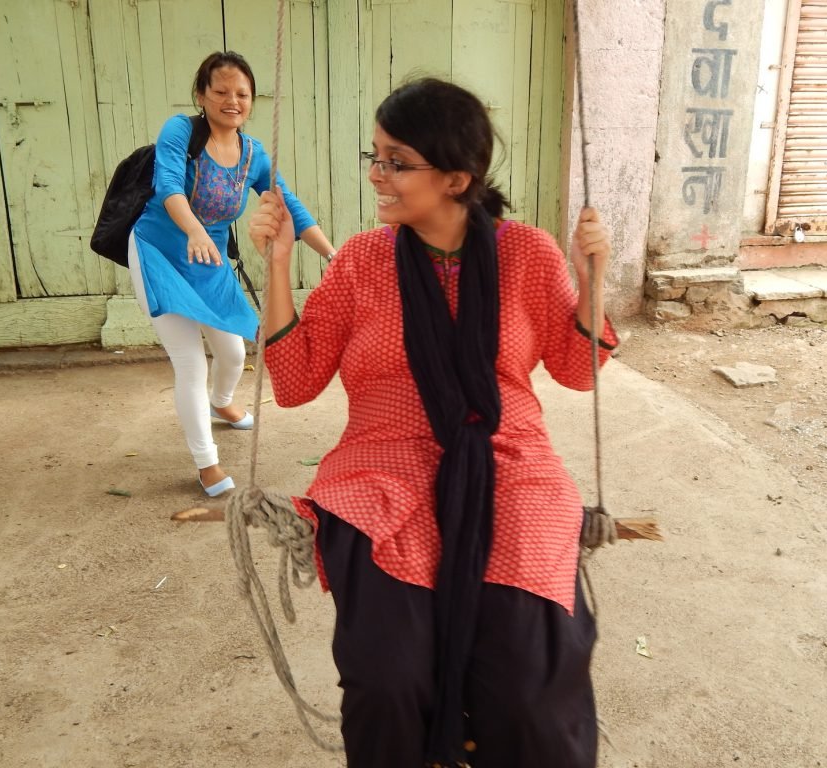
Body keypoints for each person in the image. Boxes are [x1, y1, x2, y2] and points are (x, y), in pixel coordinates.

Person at [249, 77, 618, 768]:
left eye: (396, 161)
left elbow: (578, 370)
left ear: (457, 177)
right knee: (389, 682)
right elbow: (295, 384)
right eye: (376, 154)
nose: (375, 174)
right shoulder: (361, 262)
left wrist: (592, 278)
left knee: (529, 691)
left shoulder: (528, 254)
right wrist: (276, 269)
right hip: (379, 476)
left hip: (512, 468)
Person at [128, 51, 336, 497]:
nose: (232, 100)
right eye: (221, 91)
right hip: (160, 255)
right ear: (202, 95)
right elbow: (167, 186)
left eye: (242, 93)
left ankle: (222, 403)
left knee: (234, 355)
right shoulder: (180, 132)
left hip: (208, 260)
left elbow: (289, 205)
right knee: (189, 363)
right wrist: (195, 231)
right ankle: (207, 465)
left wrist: (331, 254)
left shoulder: (252, 153)